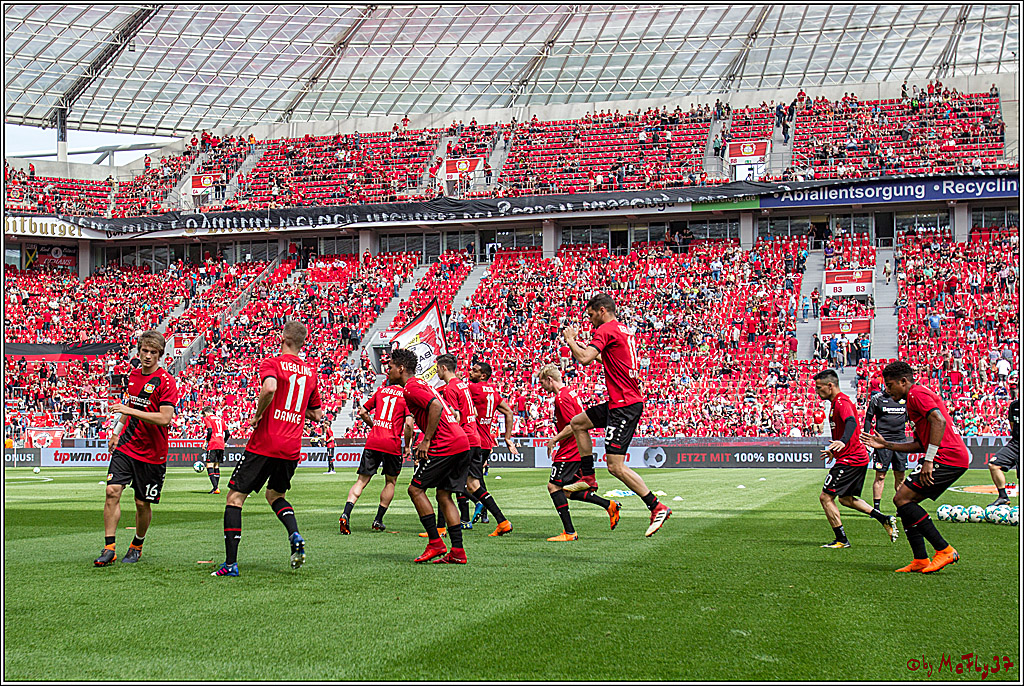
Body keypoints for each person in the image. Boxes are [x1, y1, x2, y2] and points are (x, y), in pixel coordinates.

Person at [212, 321, 323, 577]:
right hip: (291, 447)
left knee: (235, 499)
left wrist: (257, 415)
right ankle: (294, 533)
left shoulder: (272, 363)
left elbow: (270, 388)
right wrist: (295, 408)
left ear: (283, 338)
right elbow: (317, 414)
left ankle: (230, 564)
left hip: (266, 442)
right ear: (302, 343)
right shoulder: (310, 373)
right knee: (275, 495)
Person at [556, 293, 671, 537]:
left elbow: (584, 359)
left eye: (591, 315)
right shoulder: (623, 330)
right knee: (578, 423)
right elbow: (605, 357)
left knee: (615, 466)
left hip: (624, 405)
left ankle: (655, 506)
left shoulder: (605, 329)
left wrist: (571, 341)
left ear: (602, 310)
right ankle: (588, 477)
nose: (590, 320)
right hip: (619, 402)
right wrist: (587, 347)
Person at [861, 361, 970, 573]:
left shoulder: (916, 394)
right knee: (904, 502)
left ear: (903, 381)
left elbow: (939, 421)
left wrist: (929, 460)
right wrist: (886, 445)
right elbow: (920, 443)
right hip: (946, 456)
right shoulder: (913, 400)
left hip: (947, 457)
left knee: (902, 499)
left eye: (890, 385)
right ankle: (920, 559)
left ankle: (944, 550)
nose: (887, 390)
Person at [95, 331, 179, 567]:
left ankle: (137, 545)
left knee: (142, 503)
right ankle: (109, 547)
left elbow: (165, 418)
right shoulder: (133, 376)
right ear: (138, 351)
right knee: (112, 491)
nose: (148, 356)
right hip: (128, 445)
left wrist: (129, 410)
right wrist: (115, 432)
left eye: (153, 352)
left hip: (153, 452)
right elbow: (129, 407)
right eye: (144, 351)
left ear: (160, 355)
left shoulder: (166, 381)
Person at [390, 348, 471, 565]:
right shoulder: (423, 384)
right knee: (444, 496)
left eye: (390, 367)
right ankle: (457, 551)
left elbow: (435, 406)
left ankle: (435, 543)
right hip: (460, 440)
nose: (388, 371)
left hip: (446, 444)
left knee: (415, 489)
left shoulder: (411, 388)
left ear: (401, 368)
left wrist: (426, 440)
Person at [814, 369, 899, 549]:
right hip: (854, 457)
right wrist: (835, 450)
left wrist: (843, 442)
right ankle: (884, 519)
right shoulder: (836, 403)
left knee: (826, 497)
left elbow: (851, 422)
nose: (817, 391)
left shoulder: (842, 402)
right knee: (845, 499)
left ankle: (841, 540)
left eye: (819, 387)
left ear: (830, 386)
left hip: (851, 459)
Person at [539, 365, 620, 541]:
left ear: (549, 380)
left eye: (542, 382)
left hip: (570, 449)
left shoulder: (561, 398)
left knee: (553, 487)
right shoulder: (570, 393)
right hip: (577, 447)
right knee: (566, 491)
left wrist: (554, 439)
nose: (542, 387)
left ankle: (569, 532)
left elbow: (571, 425)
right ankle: (609, 505)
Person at [340, 381, 413, 533]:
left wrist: (374, 426)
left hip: (374, 441)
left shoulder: (381, 391)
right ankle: (378, 520)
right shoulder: (406, 396)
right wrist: (407, 446)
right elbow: (408, 424)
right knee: (390, 482)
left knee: (361, 481)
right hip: (392, 444)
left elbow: (362, 412)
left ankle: (345, 514)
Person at [467, 360, 517, 535]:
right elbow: (509, 412)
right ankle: (486, 514)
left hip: (474, 441)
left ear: (483, 375)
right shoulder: (493, 391)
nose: (470, 372)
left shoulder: (473, 388)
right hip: (486, 443)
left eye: (475, 371)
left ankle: (480, 510)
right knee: (476, 481)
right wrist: (507, 438)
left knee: (461, 482)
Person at [435, 354, 485, 531]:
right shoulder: (463, 385)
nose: (436, 372)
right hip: (473, 436)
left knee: (445, 483)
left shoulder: (450, 388)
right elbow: (474, 413)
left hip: (463, 439)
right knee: (462, 483)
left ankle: (442, 528)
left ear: (444, 368)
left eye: (437, 368)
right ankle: (465, 519)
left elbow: (455, 416)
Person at [864, 389, 908, 513]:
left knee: (900, 476)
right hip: (882, 443)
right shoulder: (877, 398)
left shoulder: (904, 398)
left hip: (900, 442)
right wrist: (866, 437)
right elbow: (868, 418)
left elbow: (911, 418)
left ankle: (901, 508)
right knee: (880, 476)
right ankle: (877, 508)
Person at [986, 398, 1019, 507]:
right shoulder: (1014, 405)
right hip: (1015, 444)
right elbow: (1012, 425)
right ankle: (1003, 497)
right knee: (994, 464)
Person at [202, 406, 230, 494]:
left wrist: (206, 442)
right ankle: (216, 488)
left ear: (206, 412)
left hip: (213, 443)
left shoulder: (207, 418)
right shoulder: (220, 419)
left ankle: (215, 488)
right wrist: (223, 441)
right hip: (220, 443)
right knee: (216, 466)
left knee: (209, 465)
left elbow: (210, 430)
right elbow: (227, 433)